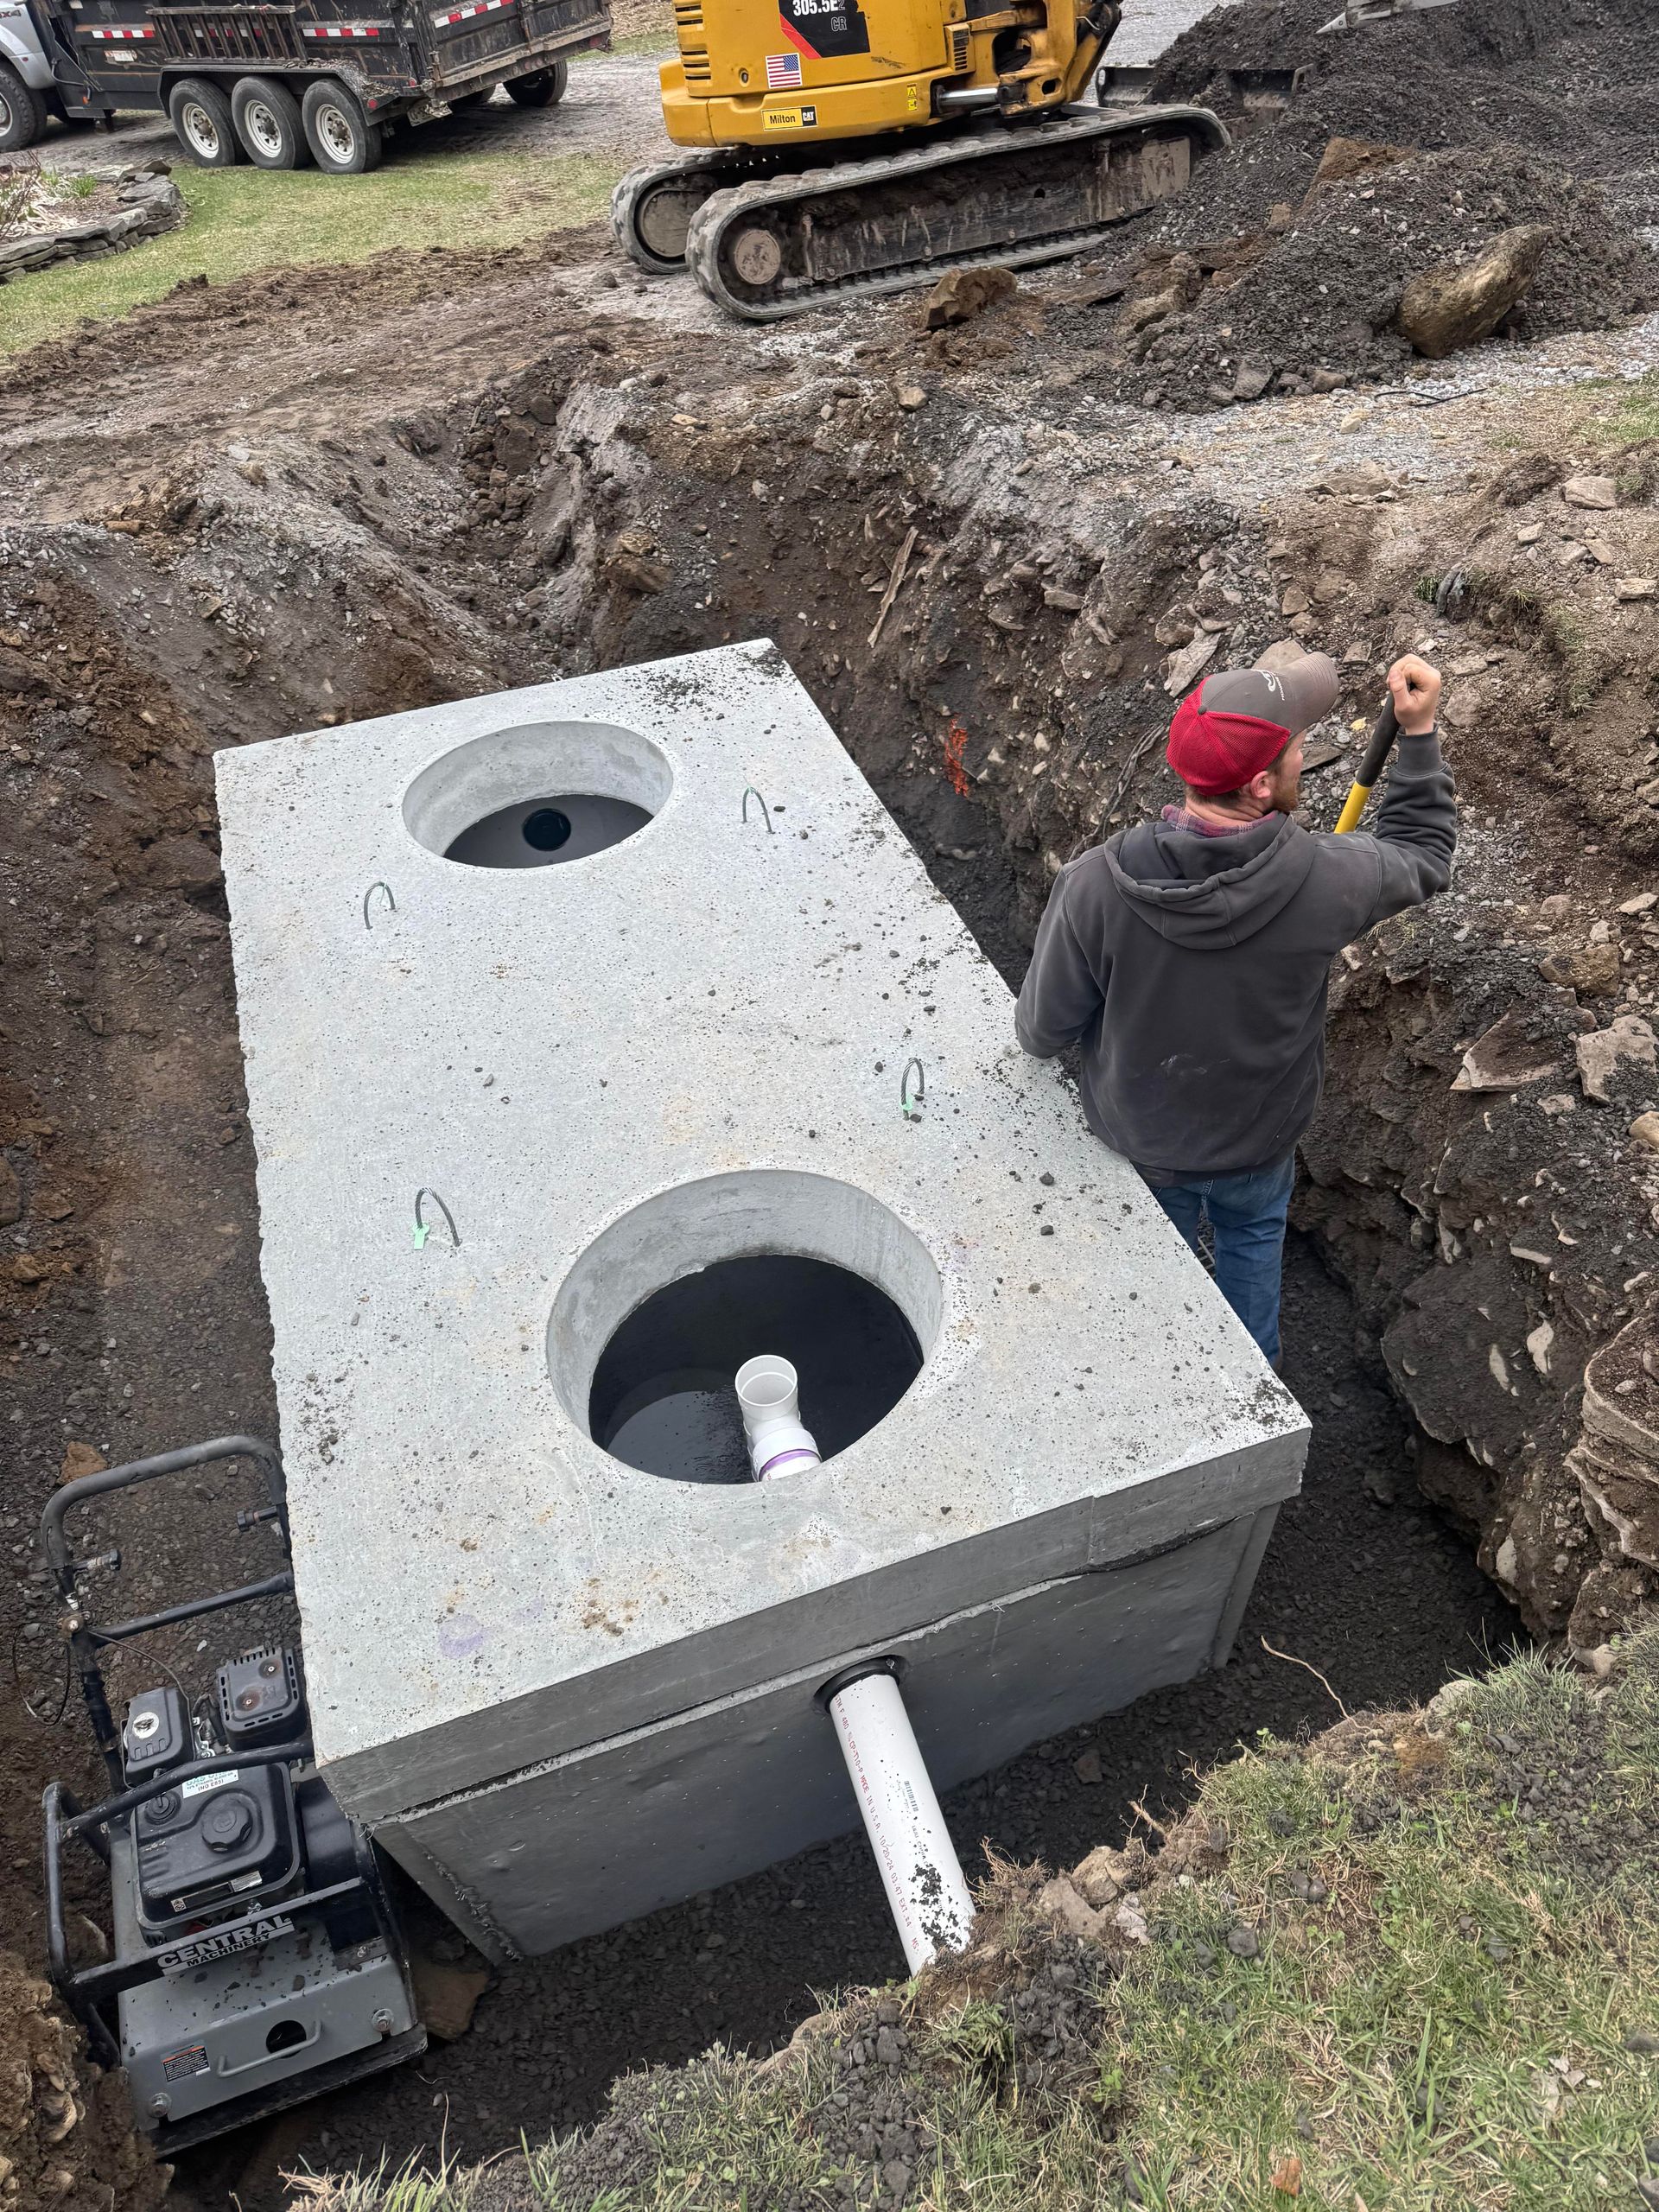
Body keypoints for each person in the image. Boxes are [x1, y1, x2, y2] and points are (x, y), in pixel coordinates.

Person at [1014, 651, 1455, 1369]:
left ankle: (1178, 1388)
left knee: (1165, 1277)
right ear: (1260, 783)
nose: (1304, 756)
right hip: (1260, 1140)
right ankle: (1255, 1380)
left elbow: (1042, 1031)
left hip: (1147, 1143)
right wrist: (1419, 732)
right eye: (1300, 751)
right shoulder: (1331, 883)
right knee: (1252, 1243)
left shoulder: (1094, 887)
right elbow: (1424, 852)